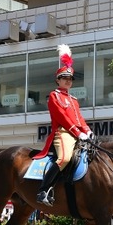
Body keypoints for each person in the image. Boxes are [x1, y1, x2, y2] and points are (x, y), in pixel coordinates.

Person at [34, 44, 92, 207]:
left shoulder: (73, 100)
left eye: (70, 79)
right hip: (63, 132)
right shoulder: (54, 96)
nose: (68, 81)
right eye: (64, 78)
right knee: (64, 158)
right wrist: (76, 132)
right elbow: (62, 117)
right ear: (58, 80)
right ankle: (43, 191)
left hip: (77, 133)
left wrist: (87, 131)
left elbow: (79, 117)